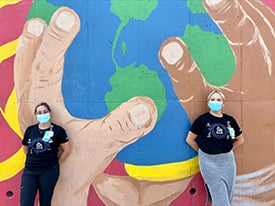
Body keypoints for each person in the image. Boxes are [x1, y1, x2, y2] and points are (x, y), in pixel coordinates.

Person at [186, 90, 245, 206]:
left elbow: (240, 140)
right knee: (220, 198)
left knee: (228, 195)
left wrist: (228, 149)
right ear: (208, 103)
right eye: (212, 100)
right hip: (209, 163)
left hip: (227, 162)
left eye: (218, 100)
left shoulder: (229, 121)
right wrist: (203, 152)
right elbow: (189, 139)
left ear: (223, 103)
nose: (215, 102)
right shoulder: (202, 120)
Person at [20, 102, 71, 206]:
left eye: (45, 112)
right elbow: (25, 148)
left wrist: (56, 163)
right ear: (36, 115)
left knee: (45, 202)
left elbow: (67, 150)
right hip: (30, 171)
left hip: (49, 171)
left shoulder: (58, 131)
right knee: (25, 203)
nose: (42, 114)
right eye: (39, 112)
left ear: (50, 113)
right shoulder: (30, 130)